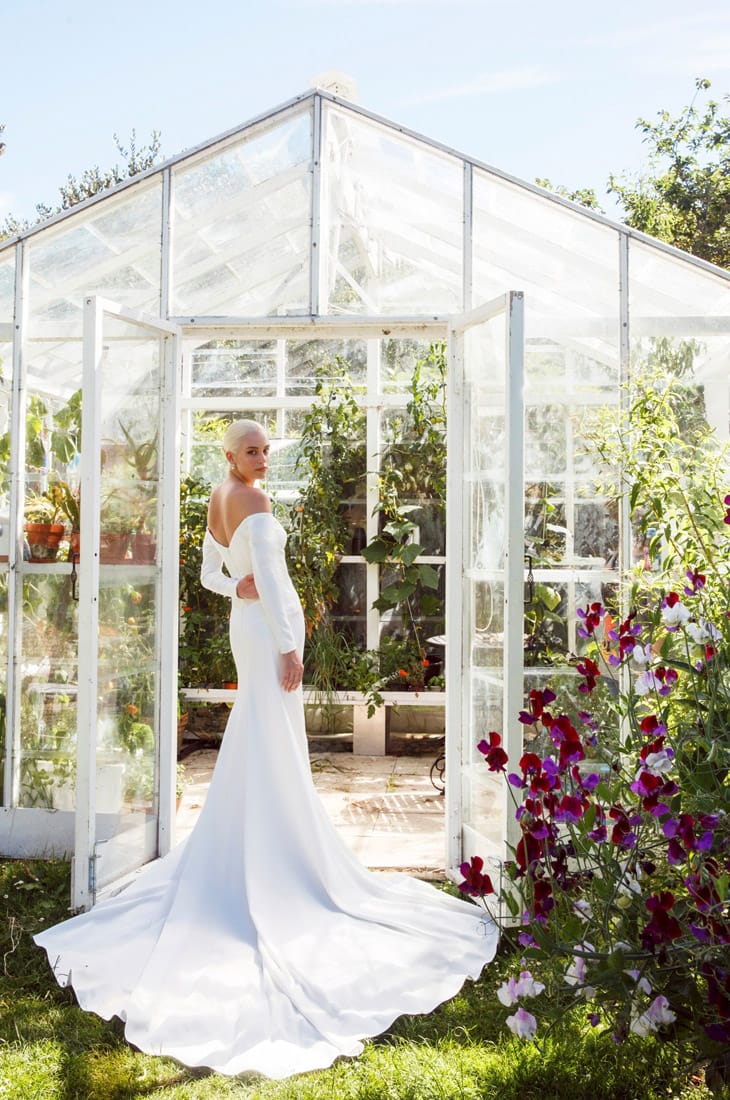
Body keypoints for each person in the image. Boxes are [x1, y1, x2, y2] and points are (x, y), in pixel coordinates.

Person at [35, 419, 498, 1079]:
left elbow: (209, 574)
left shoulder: (221, 497)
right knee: (270, 735)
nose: (262, 457)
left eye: (264, 448)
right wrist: (289, 646)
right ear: (230, 455)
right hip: (266, 635)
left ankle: (258, 834)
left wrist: (237, 588)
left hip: (240, 627)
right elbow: (277, 587)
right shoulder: (252, 501)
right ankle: (278, 851)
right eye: (251, 449)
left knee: (257, 735)